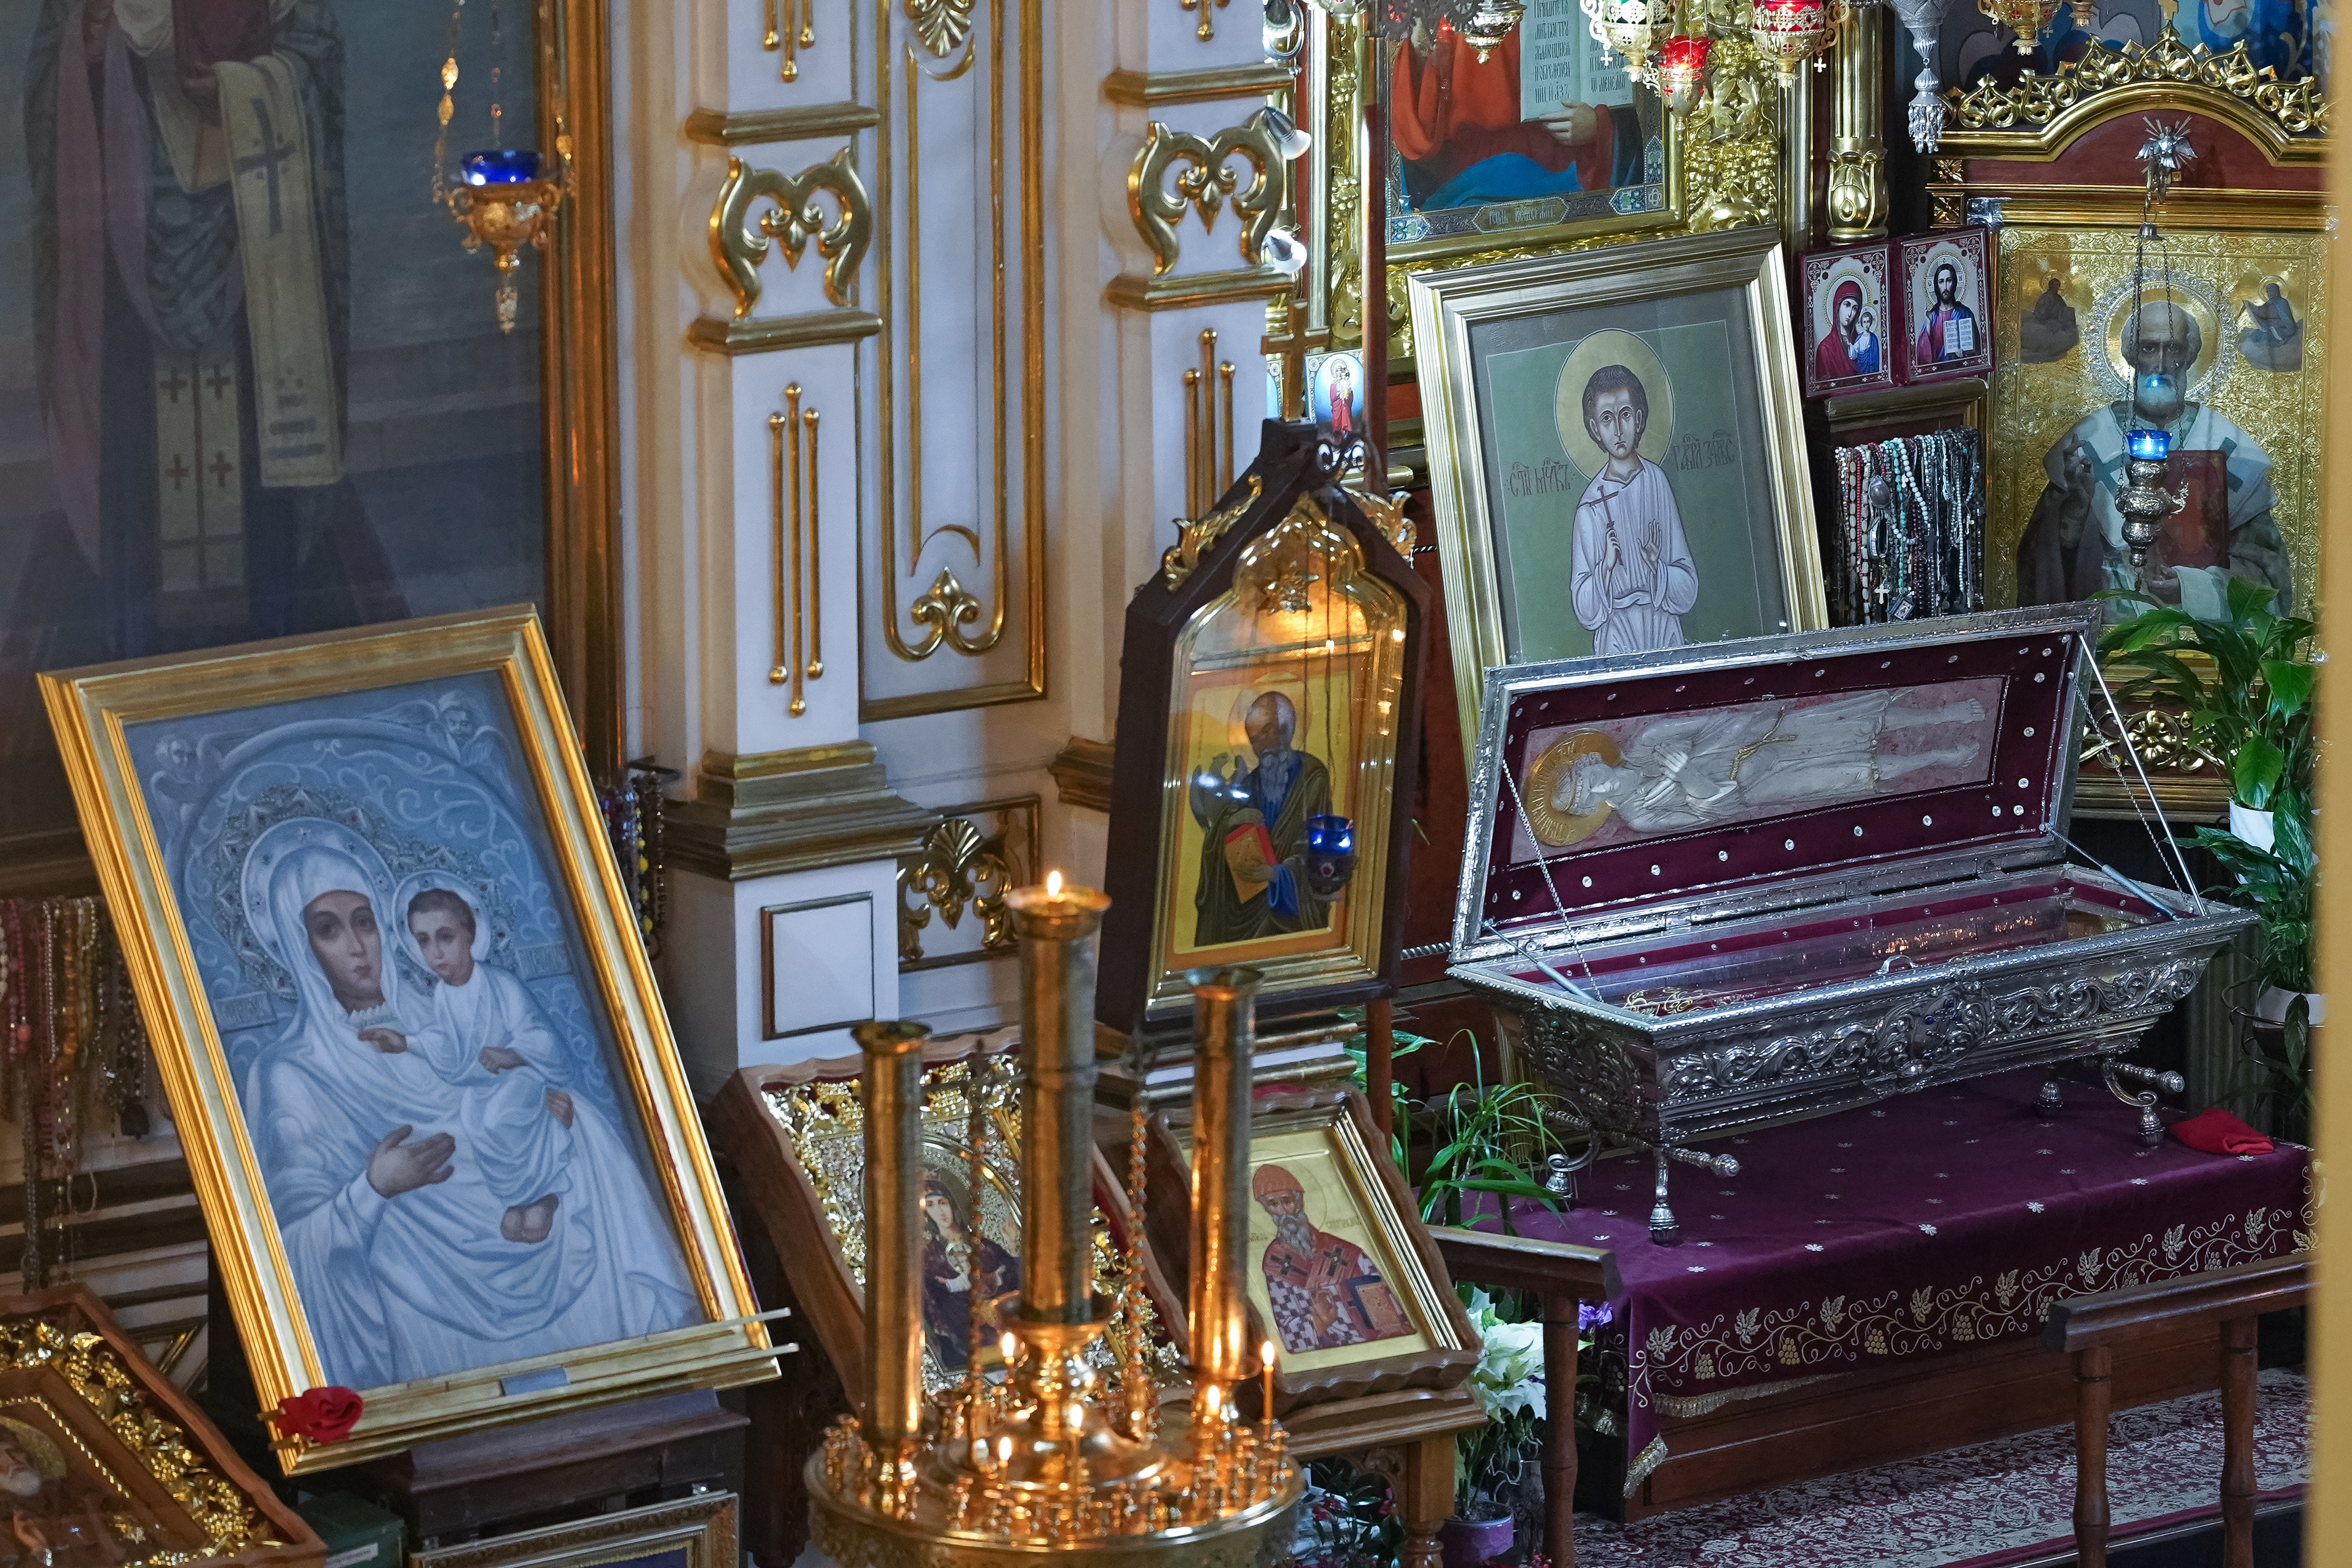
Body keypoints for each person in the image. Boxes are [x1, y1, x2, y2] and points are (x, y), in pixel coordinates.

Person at [235, 820, 700, 1390]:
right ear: (298, 946)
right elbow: (292, 1243)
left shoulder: (445, 1008)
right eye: (328, 929)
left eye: (365, 921)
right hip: (421, 1292)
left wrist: (559, 1116)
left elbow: (506, 1076)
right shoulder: (290, 1073)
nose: (356, 946)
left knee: (592, 1133)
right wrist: (375, 1188)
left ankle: (651, 1370)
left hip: (527, 1224)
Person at [2016, 300, 2293, 616]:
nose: (2161, 365)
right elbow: (2038, 577)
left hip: (2199, 637)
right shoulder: (2087, 443)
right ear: (2132, 356)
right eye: (2149, 349)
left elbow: (2269, 580)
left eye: (2174, 349)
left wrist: (2191, 588)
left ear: (2190, 357)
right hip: (2108, 632)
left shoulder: (2230, 448)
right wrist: (2075, 513)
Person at [353, 882, 577, 1248]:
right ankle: (517, 1199)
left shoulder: (500, 984)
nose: (436, 952)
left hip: (521, 1077)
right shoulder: (444, 995)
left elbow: (541, 1037)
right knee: (473, 1116)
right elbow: (448, 1045)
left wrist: (510, 1055)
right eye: (424, 941)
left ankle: (546, 1196)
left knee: (497, 1118)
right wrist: (406, 1043)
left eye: (446, 937)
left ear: (470, 935)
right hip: (484, 1086)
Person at [1528, 693, 1990, 844]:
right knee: (1855, 771)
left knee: (1856, 721)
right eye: (1583, 791)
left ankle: (1941, 713)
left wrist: (1753, 722)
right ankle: (1939, 758)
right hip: (1763, 784)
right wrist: (1687, 774)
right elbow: (1718, 813)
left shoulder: (1648, 741)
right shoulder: (1640, 816)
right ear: (1588, 807)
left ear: (1591, 760)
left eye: (1583, 773)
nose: (1591, 782)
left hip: (1761, 735)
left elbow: (1714, 720)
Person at [1388, 19, 1642, 210]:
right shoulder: (1453, 15)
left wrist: (1598, 125)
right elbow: (1416, 135)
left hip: (1565, 166)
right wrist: (1420, 51)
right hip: (1473, 179)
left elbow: (1634, 85)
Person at [1187, 693, 1337, 947]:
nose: (1259, 748)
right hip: (1247, 902)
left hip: (1289, 905)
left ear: (1284, 729)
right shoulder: (1250, 783)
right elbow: (1222, 843)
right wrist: (1231, 822)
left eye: (1264, 733)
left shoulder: (1313, 777)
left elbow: (1318, 848)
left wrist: (1274, 873)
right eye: (1253, 740)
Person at [1569, 365, 1696, 656]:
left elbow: (1688, 586)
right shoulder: (1589, 507)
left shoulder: (1657, 483)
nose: (1618, 430)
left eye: (1625, 415)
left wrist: (1657, 567)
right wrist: (1605, 567)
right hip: (1616, 635)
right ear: (1595, 429)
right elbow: (1584, 608)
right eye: (1607, 419)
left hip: (1663, 625)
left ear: (1638, 419)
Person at [1252, 1164, 1409, 1354]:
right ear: (1266, 1209)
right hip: (1332, 1353)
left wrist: (1391, 1330)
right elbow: (1286, 1327)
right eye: (1273, 1204)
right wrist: (1319, 1322)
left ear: (1299, 1201)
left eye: (1287, 1200)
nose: (1283, 1210)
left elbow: (1383, 1298)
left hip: (1378, 1344)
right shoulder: (1275, 1262)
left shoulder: (1344, 1250)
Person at [917, 1170, 1018, 1374]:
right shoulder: (929, 1257)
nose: (940, 1211)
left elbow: (1012, 1275)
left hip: (1011, 1334)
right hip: (971, 1343)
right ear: (925, 1212)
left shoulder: (984, 1244)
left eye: (943, 1203)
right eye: (931, 1205)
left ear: (952, 1204)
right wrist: (977, 1311)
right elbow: (935, 1304)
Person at [0, 1420, 131, 1568]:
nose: (13, 1460)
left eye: (15, 1451)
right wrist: (39, 1550)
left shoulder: (77, 1490)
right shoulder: (5, 1530)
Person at [1915, 260, 1981, 365]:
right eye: (1941, 282)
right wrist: (1928, 326)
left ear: (1954, 283)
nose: (1945, 287)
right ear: (1936, 285)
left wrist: (1965, 354)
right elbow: (1922, 357)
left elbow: (1978, 351)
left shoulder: (1965, 313)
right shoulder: (1933, 316)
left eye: (1949, 281)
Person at [2237, 280, 2303, 373]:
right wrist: (2249, 305)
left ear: (2277, 291)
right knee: (2252, 337)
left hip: (2283, 330)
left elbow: (2287, 320)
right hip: (2271, 330)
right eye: (2268, 292)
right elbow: (2261, 311)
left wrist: (2285, 331)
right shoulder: (2269, 303)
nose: (2270, 294)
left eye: (2271, 291)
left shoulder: (2282, 303)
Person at [2020, 277, 2081, 364]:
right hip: (2044, 322)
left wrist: (2066, 313)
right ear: (2050, 286)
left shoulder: (2059, 299)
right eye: (2055, 285)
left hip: (2056, 323)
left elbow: (2062, 311)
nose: (2056, 287)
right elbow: (2039, 312)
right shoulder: (2045, 297)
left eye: (2058, 286)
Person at [1814, 280, 1865, 382]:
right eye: (1847, 305)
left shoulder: (1861, 343)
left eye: (1855, 308)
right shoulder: (1826, 349)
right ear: (1837, 307)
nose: (1850, 313)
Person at [1853, 309, 1882, 376]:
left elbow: (1875, 355)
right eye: (1864, 322)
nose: (1866, 325)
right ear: (1862, 323)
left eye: (1868, 322)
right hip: (1861, 365)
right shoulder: (1859, 337)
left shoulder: (1873, 338)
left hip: (1871, 366)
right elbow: (1855, 351)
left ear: (1871, 322)